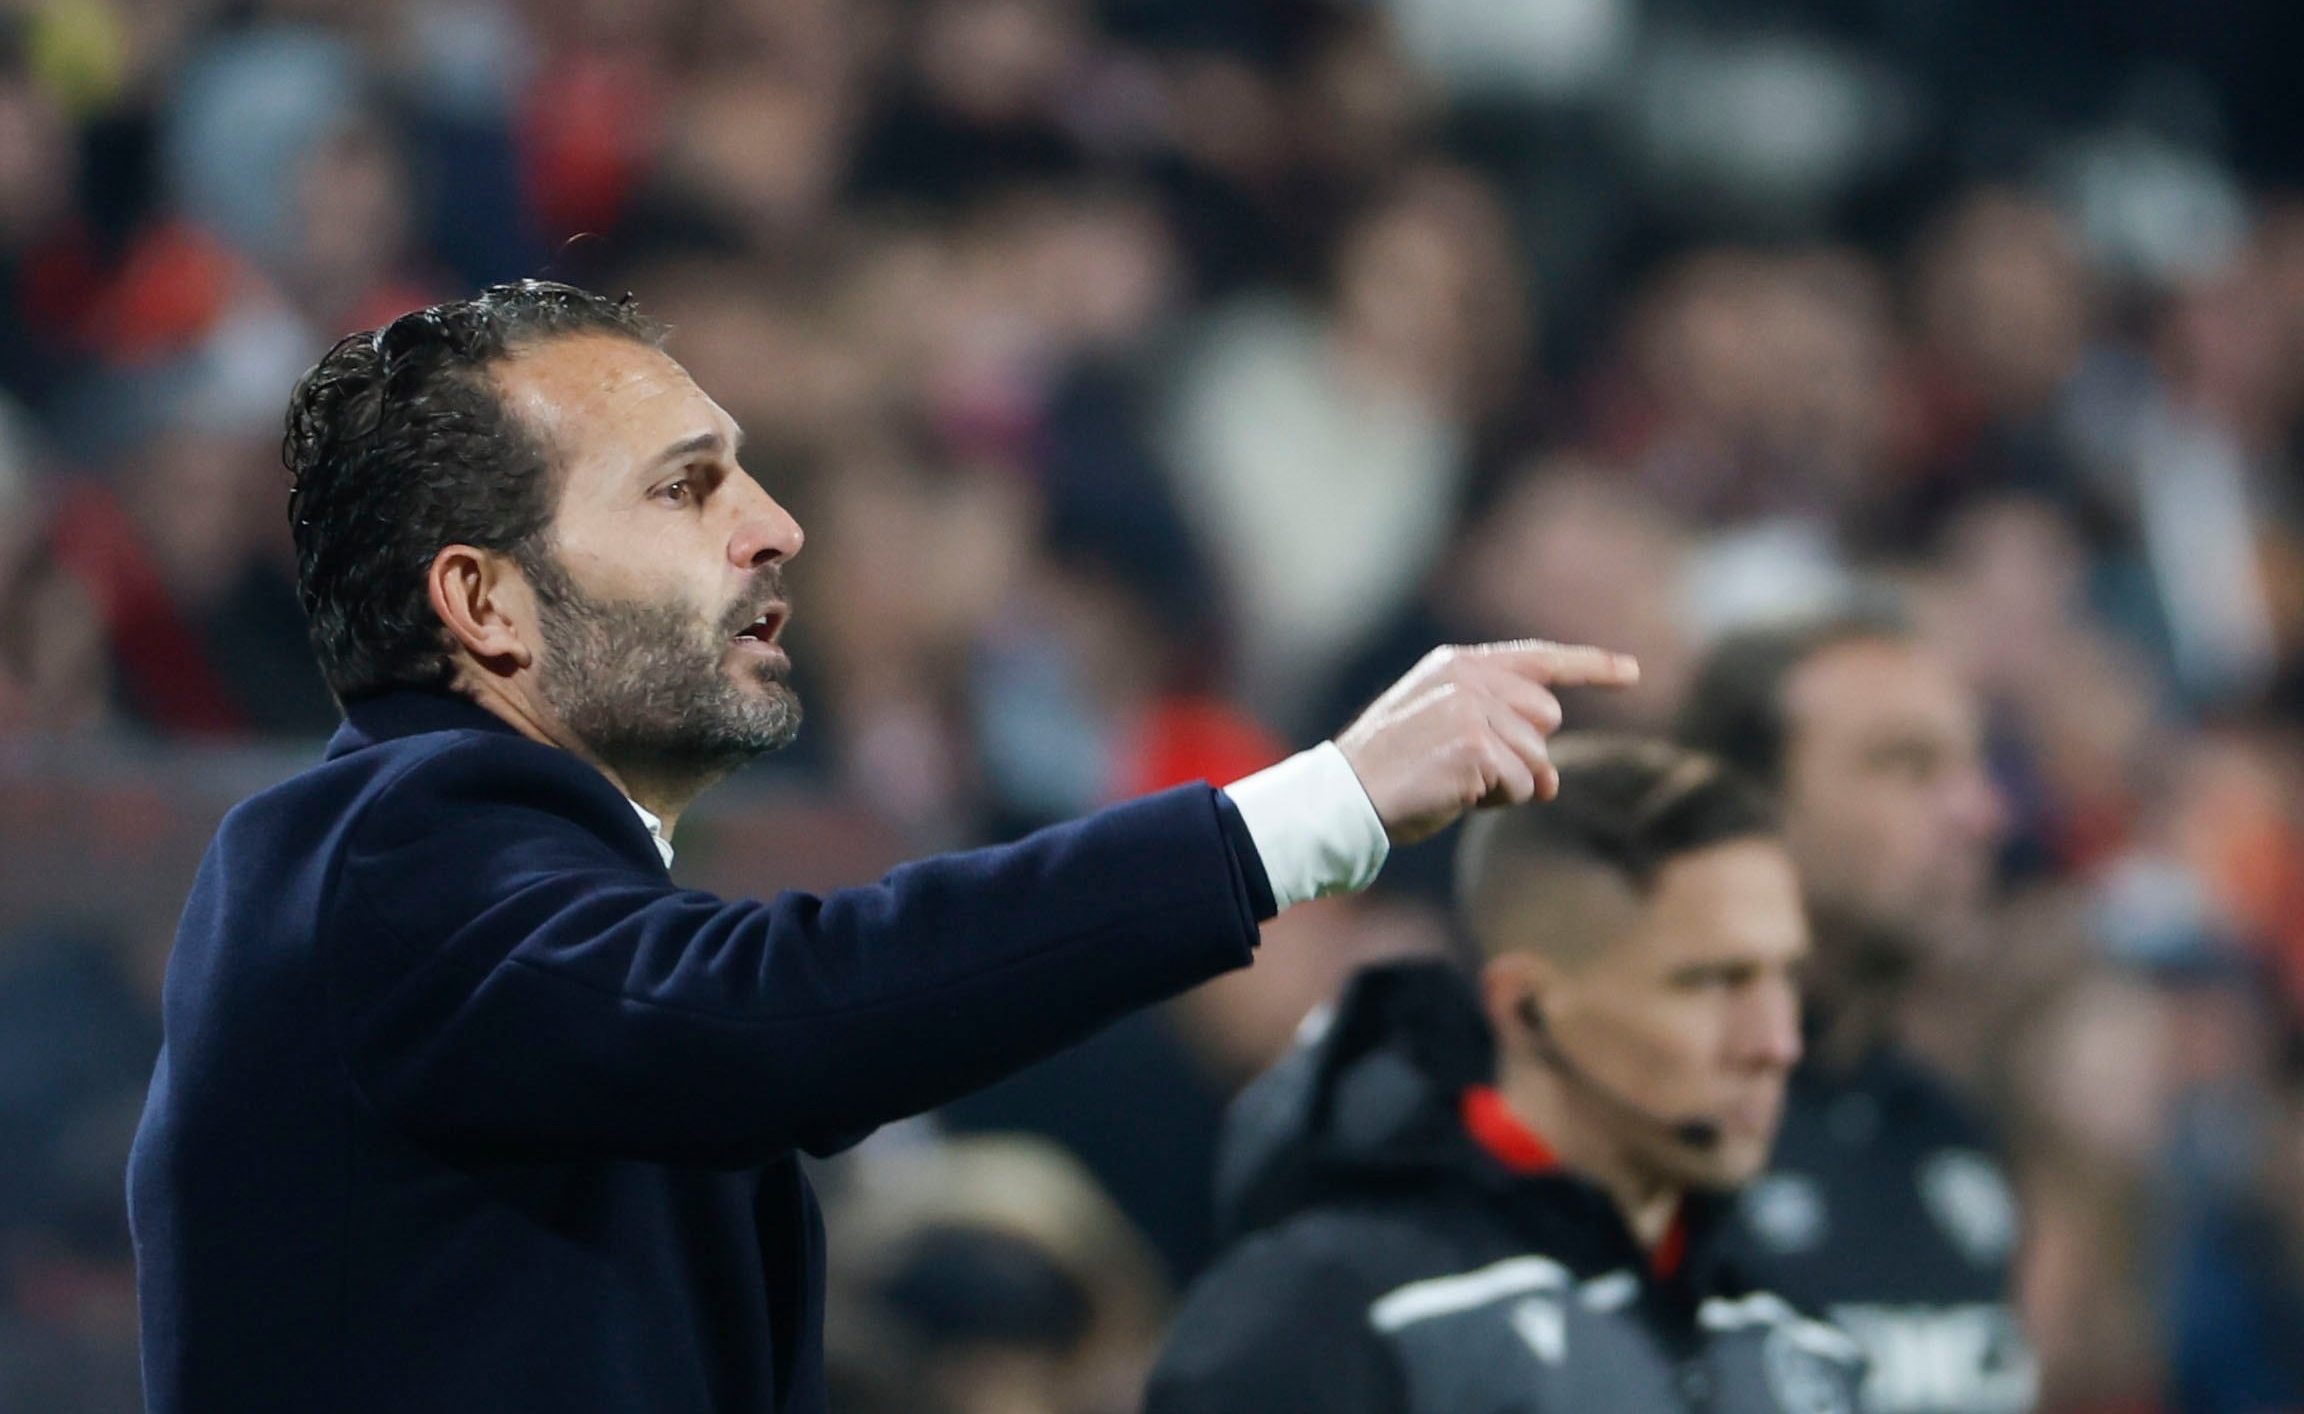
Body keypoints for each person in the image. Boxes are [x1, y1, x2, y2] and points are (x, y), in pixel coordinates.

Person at [121, 281, 1640, 1414]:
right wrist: (1318, 809)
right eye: (685, 486)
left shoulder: (518, 915)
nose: (777, 525)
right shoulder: (373, 849)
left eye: (748, 473)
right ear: (486, 605)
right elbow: (765, 1013)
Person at [1145, 735, 1859, 1414]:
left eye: (1786, 977)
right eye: (1710, 982)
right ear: (1526, 1010)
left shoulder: (1794, 1333)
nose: (1777, 1042)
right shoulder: (1327, 1321)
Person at [1675, 613, 2037, 1414]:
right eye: (1906, 766)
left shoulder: (1950, 1134)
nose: (1980, 816)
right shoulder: (1628, 1136)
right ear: (1745, 811)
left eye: (1975, 768)